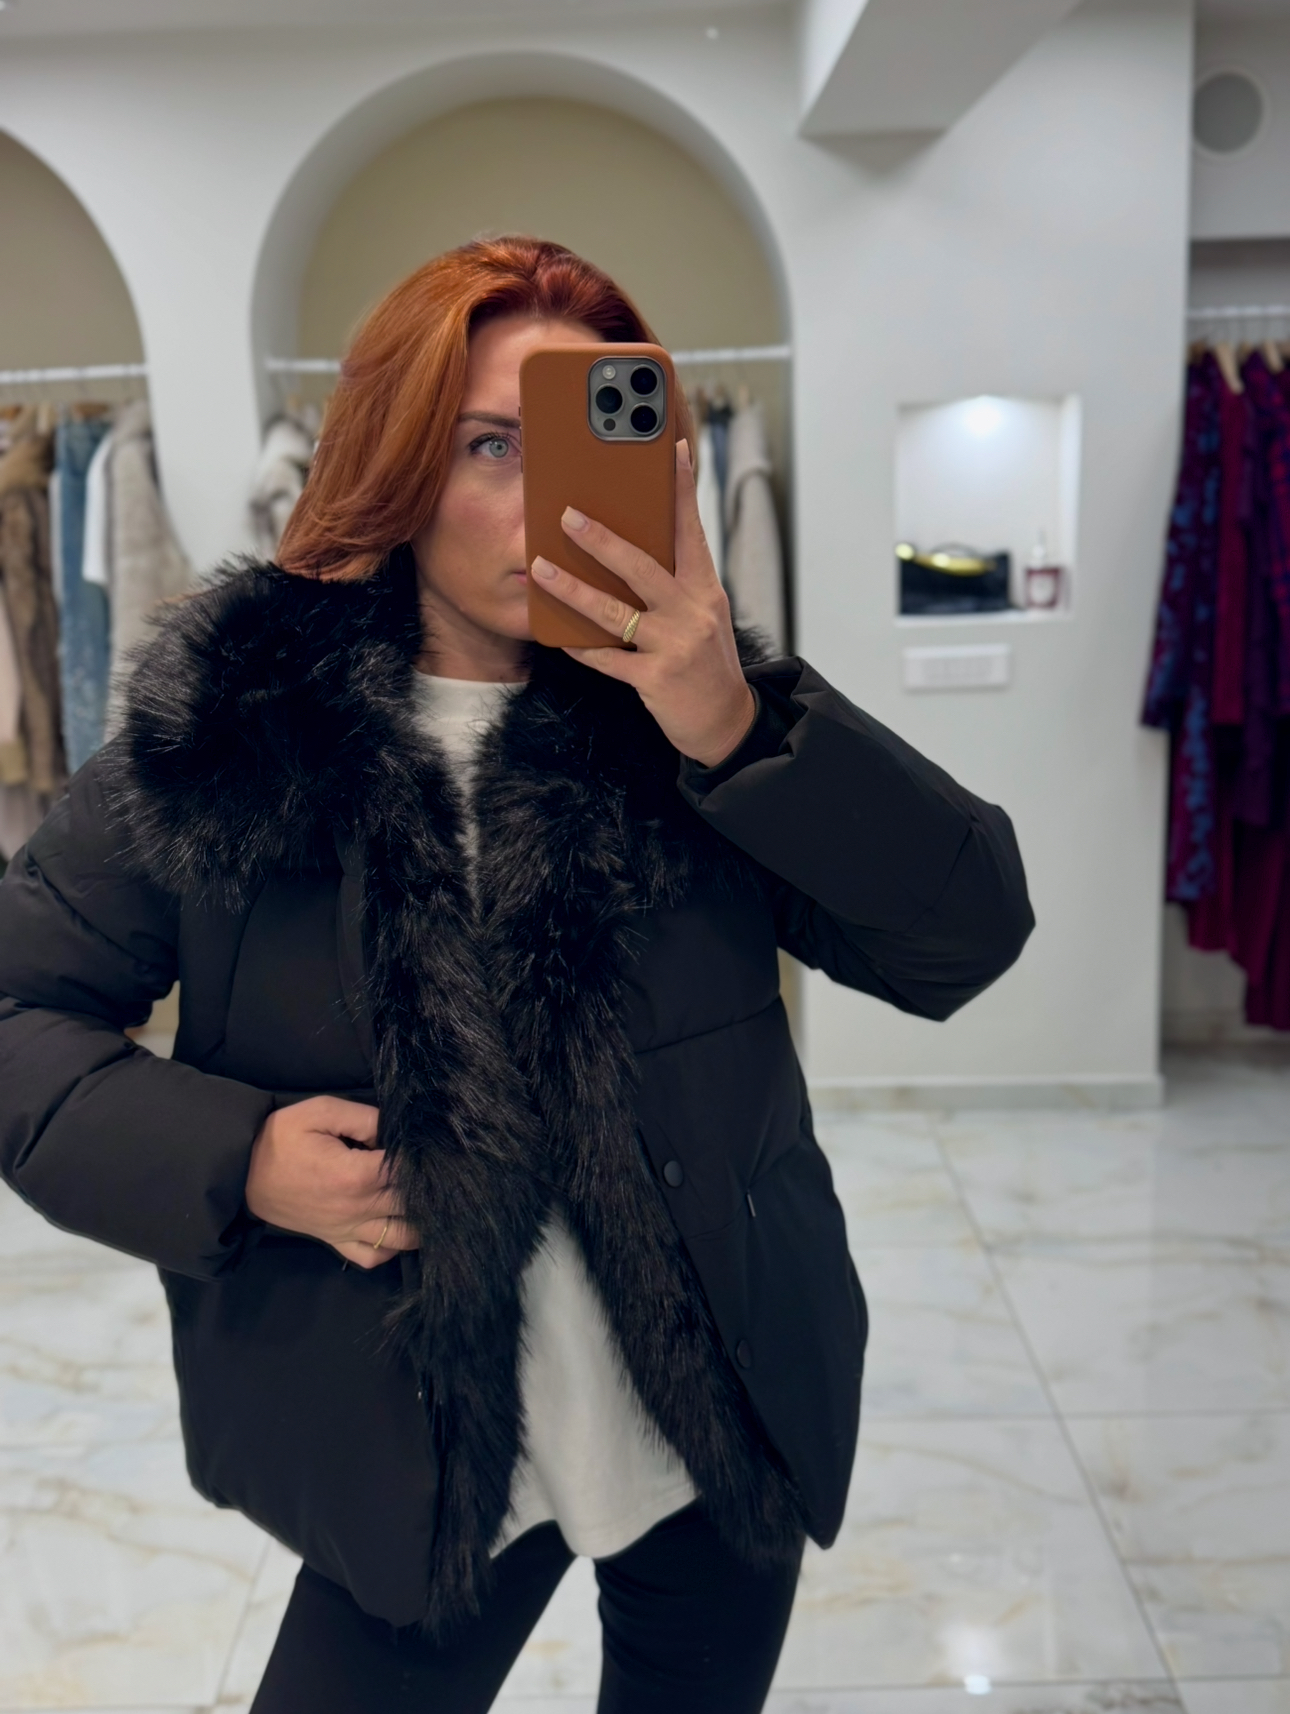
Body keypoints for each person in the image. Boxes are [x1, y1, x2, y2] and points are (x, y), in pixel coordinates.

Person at [0, 237, 1033, 1713]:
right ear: (398, 466)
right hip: (409, 1451)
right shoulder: (242, 729)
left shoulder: (701, 715)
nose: (551, 498)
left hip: (719, 1412)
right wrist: (242, 1161)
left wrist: (735, 731)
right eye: (493, 444)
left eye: (589, 438)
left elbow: (965, 933)